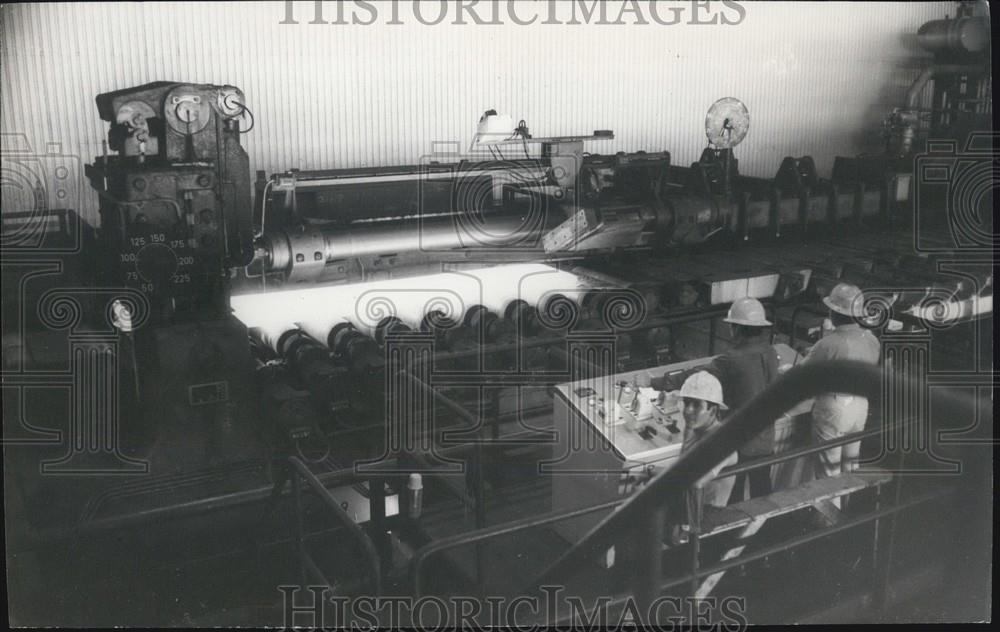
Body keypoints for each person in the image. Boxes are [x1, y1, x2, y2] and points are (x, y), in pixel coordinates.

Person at [802, 282, 881, 483]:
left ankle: (828, 514)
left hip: (834, 408)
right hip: (861, 405)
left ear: (835, 314)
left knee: (829, 473)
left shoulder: (828, 343)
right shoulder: (872, 340)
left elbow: (803, 373)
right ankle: (848, 512)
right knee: (850, 467)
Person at [704, 297, 779, 504]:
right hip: (766, 438)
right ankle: (766, 528)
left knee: (733, 491)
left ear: (735, 328)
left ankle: (733, 531)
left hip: (741, 441)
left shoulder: (731, 358)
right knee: (762, 489)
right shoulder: (771, 352)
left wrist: (656, 381)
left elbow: (698, 376)